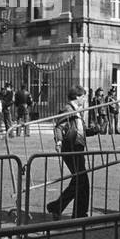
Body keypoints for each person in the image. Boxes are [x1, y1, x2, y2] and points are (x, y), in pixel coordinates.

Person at [46, 84, 90, 220]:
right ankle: (77, 213)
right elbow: (59, 127)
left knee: (79, 180)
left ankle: (59, 207)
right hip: (70, 148)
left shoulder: (77, 110)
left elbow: (78, 130)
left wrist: (93, 130)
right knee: (81, 180)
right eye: (83, 96)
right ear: (77, 96)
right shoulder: (68, 109)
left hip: (77, 146)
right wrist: (58, 141)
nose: (84, 99)